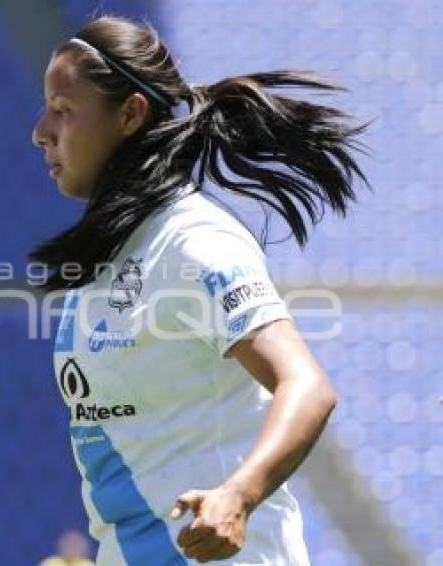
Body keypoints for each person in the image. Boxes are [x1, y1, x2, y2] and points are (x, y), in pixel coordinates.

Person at [30, 16, 368, 565]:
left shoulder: (194, 242)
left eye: (63, 111)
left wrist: (238, 495)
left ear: (131, 114)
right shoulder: (105, 259)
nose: (40, 131)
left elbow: (306, 385)